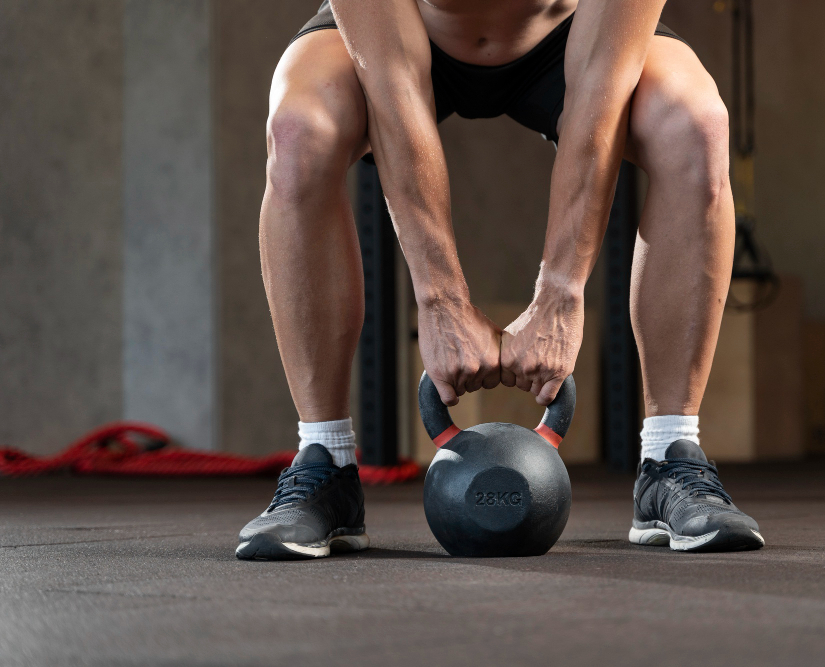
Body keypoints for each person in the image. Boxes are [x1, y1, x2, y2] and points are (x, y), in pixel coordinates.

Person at [236, 0, 764, 560]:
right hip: (403, 37)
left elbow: (598, 90)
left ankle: (670, 458)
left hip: (568, 39)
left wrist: (560, 293)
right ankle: (326, 463)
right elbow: (393, 87)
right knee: (298, 132)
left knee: (696, 127)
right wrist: (441, 301)